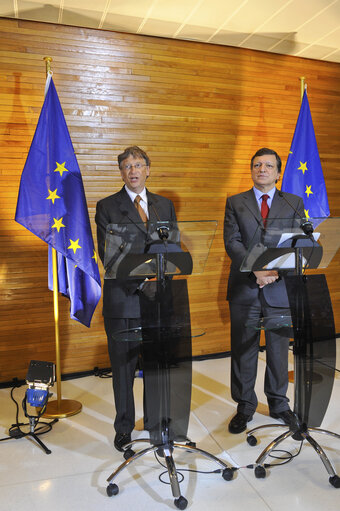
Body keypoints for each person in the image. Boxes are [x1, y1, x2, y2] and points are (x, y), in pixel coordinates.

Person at [95, 146, 177, 451]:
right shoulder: (107, 207)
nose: (133, 171)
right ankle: (124, 426)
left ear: (148, 170)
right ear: (121, 172)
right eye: (127, 166)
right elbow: (110, 254)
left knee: (156, 365)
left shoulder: (163, 206)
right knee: (123, 367)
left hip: (159, 299)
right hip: (124, 298)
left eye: (138, 165)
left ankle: (155, 421)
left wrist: (161, 274)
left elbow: (172, 249)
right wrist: (145, 278)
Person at [223, 147, 305, 434]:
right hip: (246, 287)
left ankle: (279, 404)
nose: (262, 169)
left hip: (280, 288)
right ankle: (245, 405)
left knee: (279, 349)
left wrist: (273, 272)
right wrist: (256, 270)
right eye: (257, 164)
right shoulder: (235, 202)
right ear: (251, 170)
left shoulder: (293, 203)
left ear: (278, 173)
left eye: (268, 165)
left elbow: (297, 244)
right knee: (243, 348)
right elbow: (232, 241)